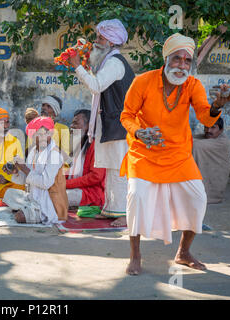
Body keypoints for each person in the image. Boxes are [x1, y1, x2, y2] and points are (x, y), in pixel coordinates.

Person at [120, 33, 230, 275]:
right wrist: (139, 133)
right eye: (177, 59)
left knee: (197, 199)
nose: (182, 65)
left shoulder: (193, 85)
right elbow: (127, 115)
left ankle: (183, 252)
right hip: (145, 152)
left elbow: (205, 115)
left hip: (178, 154)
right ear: (166, 59)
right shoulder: (143, 81)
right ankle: (135, 254)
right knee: (137, 198)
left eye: (186, 61)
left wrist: (218, 105)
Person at [69, 19, 134, 226]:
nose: (95, 41)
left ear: (111, 41)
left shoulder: (115, 63)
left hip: (118, 126)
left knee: (119, 171)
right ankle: (111, 210)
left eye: (99, 38)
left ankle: (125, 214)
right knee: (111, 168)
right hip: (109, 126)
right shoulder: (109, 62)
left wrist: (77, 66)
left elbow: (96, 85)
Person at [3, 116, 68, 224]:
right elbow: (27, 179)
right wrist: (16, 172)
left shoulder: (55, 154)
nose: (42, 137)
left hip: (50, 205)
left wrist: (23, 168)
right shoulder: (34, 151)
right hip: (33, 197)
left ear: (51, 134)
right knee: (9, 193)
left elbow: (45, 183)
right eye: (38, 134)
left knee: (19, 217)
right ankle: (27, 209)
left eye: (45, 133)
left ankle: (27, 211)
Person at [66, 110, 107, 211]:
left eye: (75, 123)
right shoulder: (77, 145)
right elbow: (69, 171)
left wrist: (66, 184)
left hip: (91, 194)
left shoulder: (96, 145)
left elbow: (96, 176)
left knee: (55, 197)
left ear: (89, 125)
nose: (71, 126)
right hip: (76, 188)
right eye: (72, 123)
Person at [193, 117, 230, 204]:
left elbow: (195, 144)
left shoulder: (222, 142)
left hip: (213, 191)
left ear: (221, 130)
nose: (208, 130)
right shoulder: (208, 137)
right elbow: (190, 138)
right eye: (206, 127)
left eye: (213, 127)